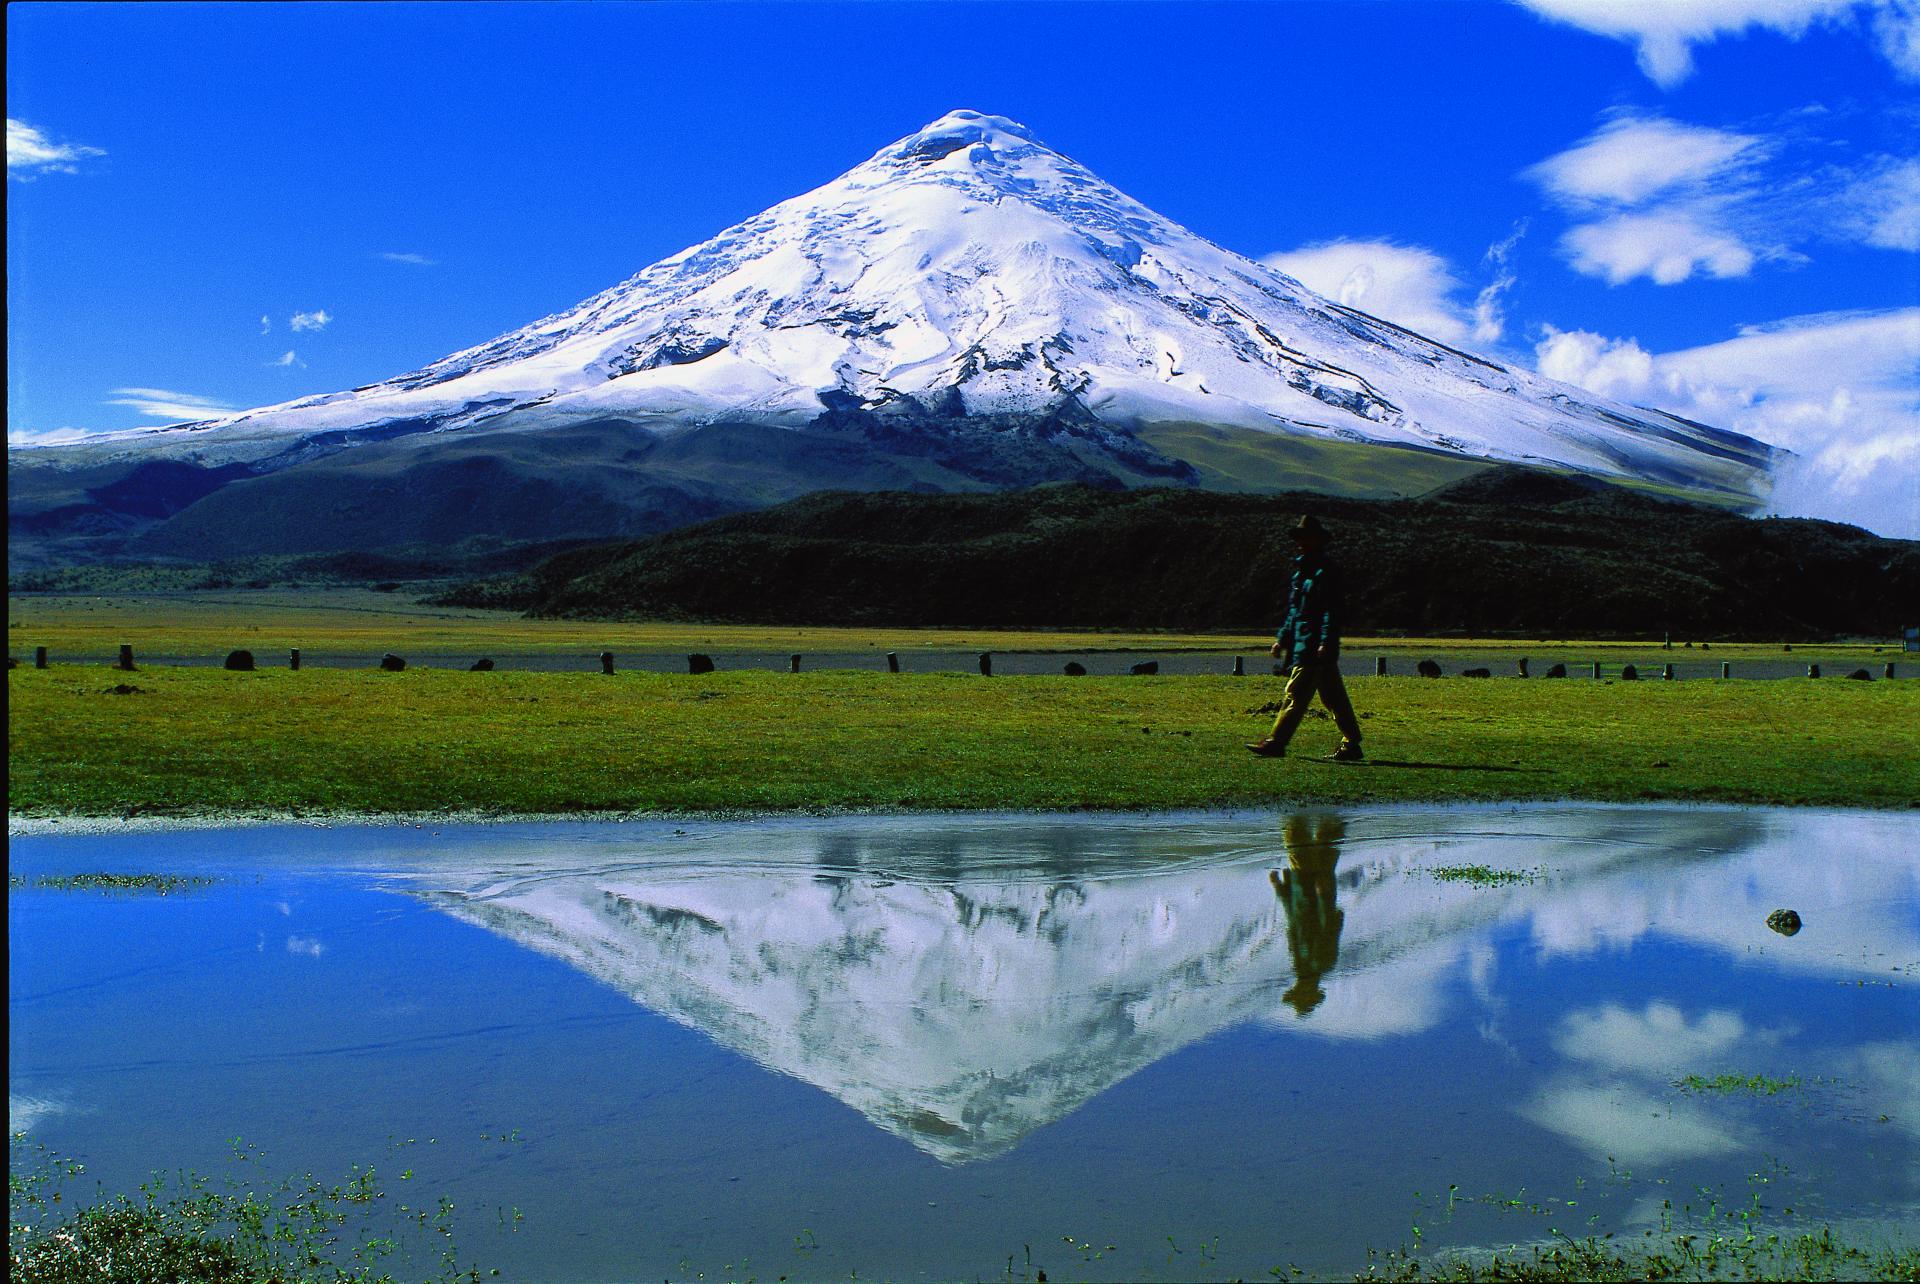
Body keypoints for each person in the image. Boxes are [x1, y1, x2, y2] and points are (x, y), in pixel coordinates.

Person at [1246, 514, 1363, 761]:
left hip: (1313, 647)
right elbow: (1294, 612)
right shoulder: (1302, 574)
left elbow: (1331, 611)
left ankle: (1276, 742)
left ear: (1317, 541)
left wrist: (1324, 641)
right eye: (1299, 538)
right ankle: (1352, 743)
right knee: (1334, 698)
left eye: (1304, 538)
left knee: (1295, 693)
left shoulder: (1325, 572)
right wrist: (1282, 639)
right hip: (1306, 644)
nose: (1300, 543)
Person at [1269, 813, 1346, 1016]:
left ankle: (1325, 812)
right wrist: (1322, 896)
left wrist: (1280, 889)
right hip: (1316, 891)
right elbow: (1327, 924)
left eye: (1296, 991)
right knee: (1305, 841)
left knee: (1318, 844)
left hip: (1302, 888)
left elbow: (1293, 920)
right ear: (1310, 991)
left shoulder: (1300, 963)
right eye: (1299, 992)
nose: (1296, 987)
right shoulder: (1322, 961)